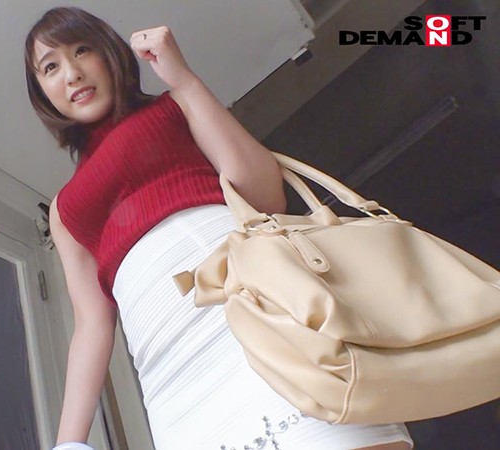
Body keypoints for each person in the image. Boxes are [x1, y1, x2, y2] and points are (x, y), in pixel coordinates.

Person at [24, 7, 414, 450]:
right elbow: (92, 323)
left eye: (82, 51)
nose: (72, 73)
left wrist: (184, 79)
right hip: (170, 373)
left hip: (258, 310)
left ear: (109, 53)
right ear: (41, 92)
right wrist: (68, 444)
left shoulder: (174, 105)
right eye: (50, 67)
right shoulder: (64, 210)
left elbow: (264, 195)